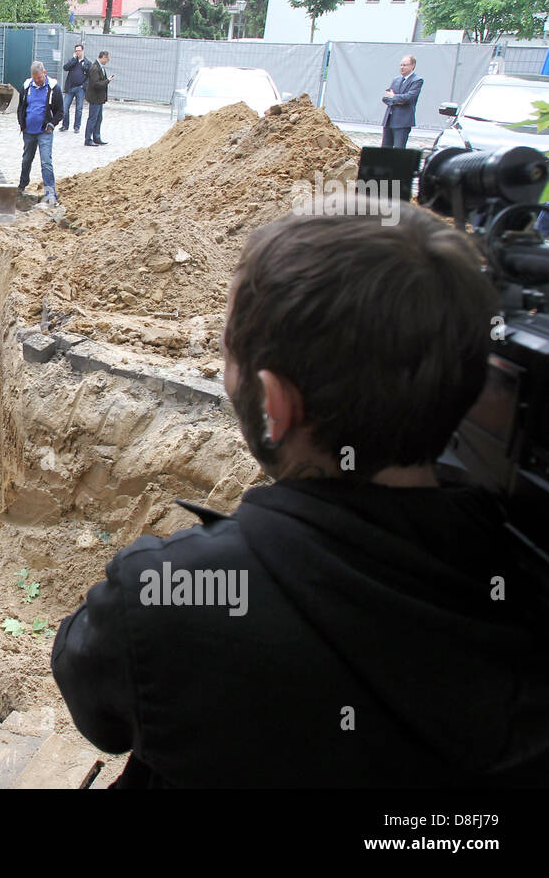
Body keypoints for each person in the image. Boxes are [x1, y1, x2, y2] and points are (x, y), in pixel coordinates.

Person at [51, 205, 549, 787]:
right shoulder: (523, 578)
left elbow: (93, 702)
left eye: (230, 354)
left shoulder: (164, 600)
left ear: (275, 404)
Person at [16, 61, 62, 205]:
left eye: (40, 78)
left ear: (45, 73)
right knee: (26, 159)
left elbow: (60, 111)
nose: (38, 81)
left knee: (46, 162)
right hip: (28, 131)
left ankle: (50, 193)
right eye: (35, 78)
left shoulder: (53, 88)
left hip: (44, 132)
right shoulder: (26, 87)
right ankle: (22, 186)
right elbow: (21, 108)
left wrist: (52, 124)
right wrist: (22, 124)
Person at [381, 54, 423, 148]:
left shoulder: (417, 80)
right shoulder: (396, 80)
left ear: (412, 66)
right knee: (384, 150)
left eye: (405, 65)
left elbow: (409, 97)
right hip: (389, 119)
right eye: (401, 65)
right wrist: (397, 99)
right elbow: (386, 98)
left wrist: (394, 97)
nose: (402, 67)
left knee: (398, 151)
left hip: (402, 122)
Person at [59, 44, 90, 133]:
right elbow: (65, 67)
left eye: (79, 50)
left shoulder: (87, 62)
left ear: (83, 51)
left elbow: (89, 76)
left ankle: (77, 127)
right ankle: (65, 125)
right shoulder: (73, 61)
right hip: (70, 87)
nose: (78, 52)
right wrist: (73, 59)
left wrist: (84, 85)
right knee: (65, 107)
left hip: (80, 88)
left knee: (79, 109)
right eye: (76, 51)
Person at [83, 51, 111, 147]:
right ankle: (88, 139)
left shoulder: (100, 67)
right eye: (107, 58)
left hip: (99, 98)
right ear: (103, 57)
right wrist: (107, 81)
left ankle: (97, 137)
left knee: (99, 118)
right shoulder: (95, 68)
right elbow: (96, 84)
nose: (108, 60)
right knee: (92, 118)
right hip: (95, 98)